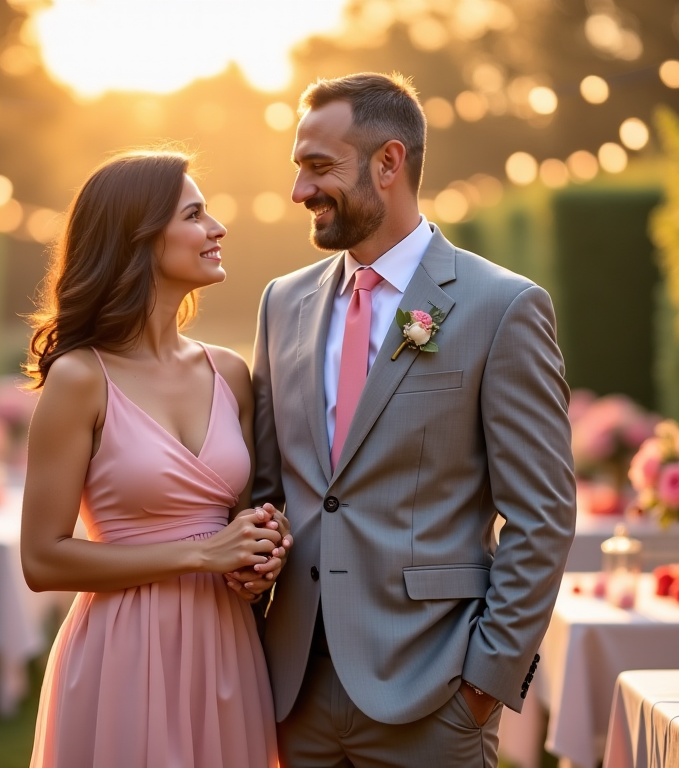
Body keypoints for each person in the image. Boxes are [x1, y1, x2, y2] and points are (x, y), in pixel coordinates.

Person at [240, 72, 576, 766]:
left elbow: (541, 515)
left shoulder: (501, 306)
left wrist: (484, 682)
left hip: (433, 698)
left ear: (389, 163)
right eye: (297, 169)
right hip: (294, 695)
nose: (300, 190)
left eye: (318, 167)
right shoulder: (281, 303)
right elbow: (269, 492)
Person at [20, 149, 289, 767]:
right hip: (126, 650)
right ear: (138, 239)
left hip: (227, 648)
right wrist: (200, 553)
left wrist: (260, 558)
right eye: (195, 214)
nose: (217, 229)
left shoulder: (230, 372)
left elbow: (241, 526)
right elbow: (41, 558)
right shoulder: (80, 378)